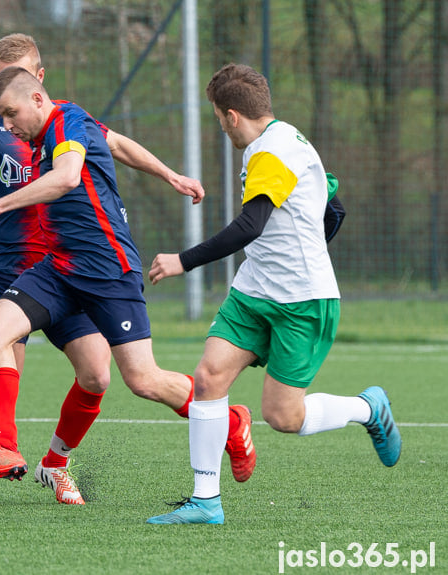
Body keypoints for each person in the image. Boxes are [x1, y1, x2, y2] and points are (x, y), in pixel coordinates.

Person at [0, 34, 255, 505]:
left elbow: (72, 174)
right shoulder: (2, 129)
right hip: (48, 268)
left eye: (11, 110)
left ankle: (230, 421)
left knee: (131, 379)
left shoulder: (68, 119)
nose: (6, 123)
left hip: (104, 271)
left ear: (39, 83)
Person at [145, 63, 400, 525]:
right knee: (208, 378)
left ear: (232, 114)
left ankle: (368, 408)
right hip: (254, 291)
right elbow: (333, 203)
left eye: (219, 119)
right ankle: (206, 501)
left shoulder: (271, 152)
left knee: (284, 416)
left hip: (302, 302)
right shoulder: (286, 139)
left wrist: (182, 261)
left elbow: (250, 226)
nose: (221, 128)